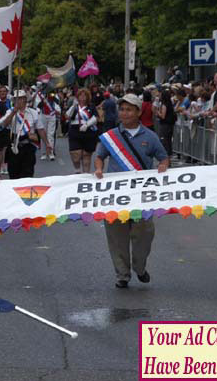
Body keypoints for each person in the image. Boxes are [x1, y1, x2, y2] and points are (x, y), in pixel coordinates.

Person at [94, 94, 169, 288]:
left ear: (138, 112)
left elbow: (163, 157)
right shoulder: (112, 136)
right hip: (115, 195)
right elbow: (100, 156)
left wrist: (162, 166)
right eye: (122, 109)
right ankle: (122, 275)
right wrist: (99, 169)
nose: (124, 113)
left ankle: (140, 267)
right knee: (116, 235)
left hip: (141, 195)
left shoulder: (150, 137)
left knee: (144, 233)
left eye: (129, 109)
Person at [0, 90, 43, 179]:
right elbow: (5, 124)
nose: (18, 101)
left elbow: (40, 129)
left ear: (25, 100)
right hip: (14, 145)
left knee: (27, 174)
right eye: (16, 99)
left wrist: (47, 143)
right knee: (13, 174)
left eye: (20, 99)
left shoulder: (33, 112)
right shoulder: (10, 112)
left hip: (28, 145)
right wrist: (13, 112)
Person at [66, 88, 99, 173]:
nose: (83, 97)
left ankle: (86, 176)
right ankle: (77, 171)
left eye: (85, 95)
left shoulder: (91, 106)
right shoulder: (75, 107)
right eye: (81, 95)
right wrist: (73, 106)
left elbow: (96, 117)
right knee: (76, 155)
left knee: (86, 155)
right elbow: (67, 116)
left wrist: (87, 125)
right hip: (75, 131)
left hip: (88, 131)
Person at [34, 89, 59, 160]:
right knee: (43, 134)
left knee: (50, 135)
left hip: (52, 116)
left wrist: (53, 97)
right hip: (43, 115)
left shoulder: (54, 95)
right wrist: (44, 99)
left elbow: (58, 102)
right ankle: (44, 153)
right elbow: (38, 106)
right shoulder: (41, 95)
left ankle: (51, 152)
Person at [157, 89, 176, 156]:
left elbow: (163, 116)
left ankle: (166, 157)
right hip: (170, 125)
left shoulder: (164, 105)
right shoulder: (170, 104)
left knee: (164, 141)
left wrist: (158, 113)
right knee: (168, 141)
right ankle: (168, 156)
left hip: (165, 125)